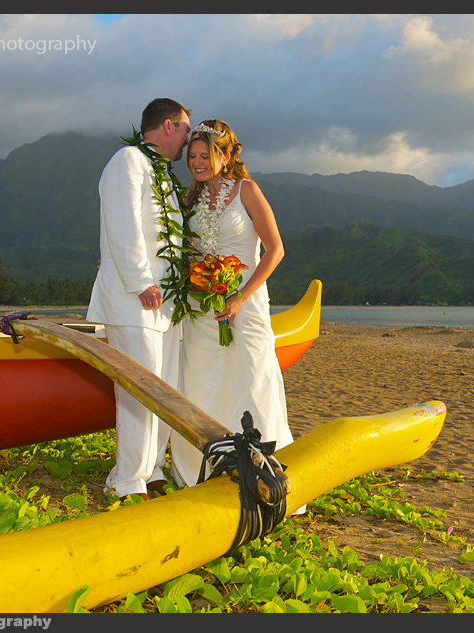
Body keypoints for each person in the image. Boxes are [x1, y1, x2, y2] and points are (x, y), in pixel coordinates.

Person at [169, 119, 300, 505]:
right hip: (201, 308)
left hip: (246, 302)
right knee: (200, 382)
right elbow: (178, 251)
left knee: (252, 379)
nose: (196, 162)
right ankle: (201, 471)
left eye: (205, 155)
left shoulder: (248, 191)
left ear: (225, 156)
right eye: (191, 156)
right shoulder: (188, 200)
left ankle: (265, 473)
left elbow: (275, 249)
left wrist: (240, 296)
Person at [87, 98, 191, 501]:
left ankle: (152, 469)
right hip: (135, 300)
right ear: (167, 125)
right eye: (185, 127)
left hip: (165, 306)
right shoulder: (128, 160)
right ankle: (127, 480)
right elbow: (123, 221)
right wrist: (140, 280)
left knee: (163, 388)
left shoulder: (162, 174)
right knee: (136, 391)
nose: (187, 137)